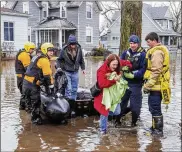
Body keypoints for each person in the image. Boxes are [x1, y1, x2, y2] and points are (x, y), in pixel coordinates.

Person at [143, 32, 171, 135]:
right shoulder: (156, 51)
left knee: (155, 108)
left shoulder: (157, 53)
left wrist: (147, 85)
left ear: (154, 40)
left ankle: (158, 131)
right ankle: (154, 128)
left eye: (149, 42)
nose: (148, 44)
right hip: (156, 86)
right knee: (153, 107)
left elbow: (156, 71)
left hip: (157, 87)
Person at [116, 35, 146, 127]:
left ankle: (134, 123)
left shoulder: (142, 54)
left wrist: (134, 75)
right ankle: (117, 121)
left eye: (134, 43)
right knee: (121, 103)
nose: (132, 45)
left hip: (136, 84)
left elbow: (143, 69)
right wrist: (122, 68)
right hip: (124, 83)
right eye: (131, 43)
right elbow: (119, 63)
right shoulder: (125, 53)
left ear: (138, 44)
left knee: (135, 107)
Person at [22, 43, 54, 125]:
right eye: (50, 51)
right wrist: (51, 88)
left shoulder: (36, 56)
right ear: (45, 50)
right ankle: (36, 126)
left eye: (53, 51)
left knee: (29, 106)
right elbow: (47, 76)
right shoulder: (44, 60)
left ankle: (26, 124)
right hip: (32, 85)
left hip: (25, 83)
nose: (52, 53)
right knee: (36, 104)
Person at [56, 35, 85, 117]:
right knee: (68, 89)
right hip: (66, 71)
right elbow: (59, 60)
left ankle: (72, 108)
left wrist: (83, 68)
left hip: (75, 72)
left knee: (74, 89)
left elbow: (81, 59)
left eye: (74, 44)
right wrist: (58, 68)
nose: (73, 46)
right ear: (69, 44)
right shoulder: (64, 50)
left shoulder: (79, 49)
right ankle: (67, 107)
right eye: (71, 44)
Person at [94, 54, 122, 134]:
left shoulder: (117, 69)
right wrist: (114, 81)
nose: (115, 66)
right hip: (103, 95)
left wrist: (129, 64)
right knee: (104, 112)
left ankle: (102, 118)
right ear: (108, 62)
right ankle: (103, 131)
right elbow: (102, 84)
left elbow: (123, 63)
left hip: (113, 94)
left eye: (116, 65)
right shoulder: (101, 70)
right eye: (113, 64)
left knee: (117, 111)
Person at [15, 42, 36, 110]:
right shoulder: (24, 55)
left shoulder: (22, 53)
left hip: (20, 77)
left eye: (33, 49)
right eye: (31, 49)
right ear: (27, 48)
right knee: (26, 94)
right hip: (22, 78)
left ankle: (22, 109)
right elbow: (28, 69)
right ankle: (27, 109)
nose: (33, 50)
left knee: (24, 94)